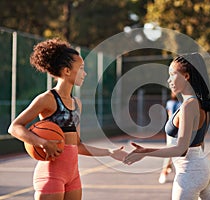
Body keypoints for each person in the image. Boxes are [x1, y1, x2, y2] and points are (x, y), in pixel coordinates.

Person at [8, 38, 127, 200]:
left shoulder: (77, 103)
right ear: (67, 71)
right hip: (51, 174)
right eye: (82, 68)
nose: (85, 73)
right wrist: (43, 143)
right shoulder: (47, 99)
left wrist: (109, 152)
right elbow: (14, 127)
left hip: (73, 176)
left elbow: (76, 145)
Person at [124, 53, 210, 200]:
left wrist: (145, 151)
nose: (168, 80)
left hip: (190, 172)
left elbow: (181, 149)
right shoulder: (199, 103)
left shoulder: (189, 105)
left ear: (186, 76)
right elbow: (200, 143)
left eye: (172, 74)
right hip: (201, 167)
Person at [158, 92, 181, 184]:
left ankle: (169, 167)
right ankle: (164, 172)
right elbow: (170, 116)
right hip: (173, 130)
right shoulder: (170, 103)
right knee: (170, 151)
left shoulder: (184, 103)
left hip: (180, 130)